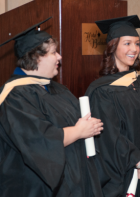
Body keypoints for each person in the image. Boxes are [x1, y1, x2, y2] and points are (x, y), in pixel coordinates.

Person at [0, 17, 104, 197]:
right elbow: (39, 139)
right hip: (35, 188)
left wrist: (88, 127)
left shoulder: (56, 89)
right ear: (36, 56)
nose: (59, 57)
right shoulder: (14, 96)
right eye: (53, 52)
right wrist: (79, 131)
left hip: (74, 182)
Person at [85, 15, 140, 197]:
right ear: (113, 47)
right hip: (119, 173)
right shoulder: (102, 89)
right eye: (127, 43)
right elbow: (110, 135)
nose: (134, 49)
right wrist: (139, 162)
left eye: (136, 43)